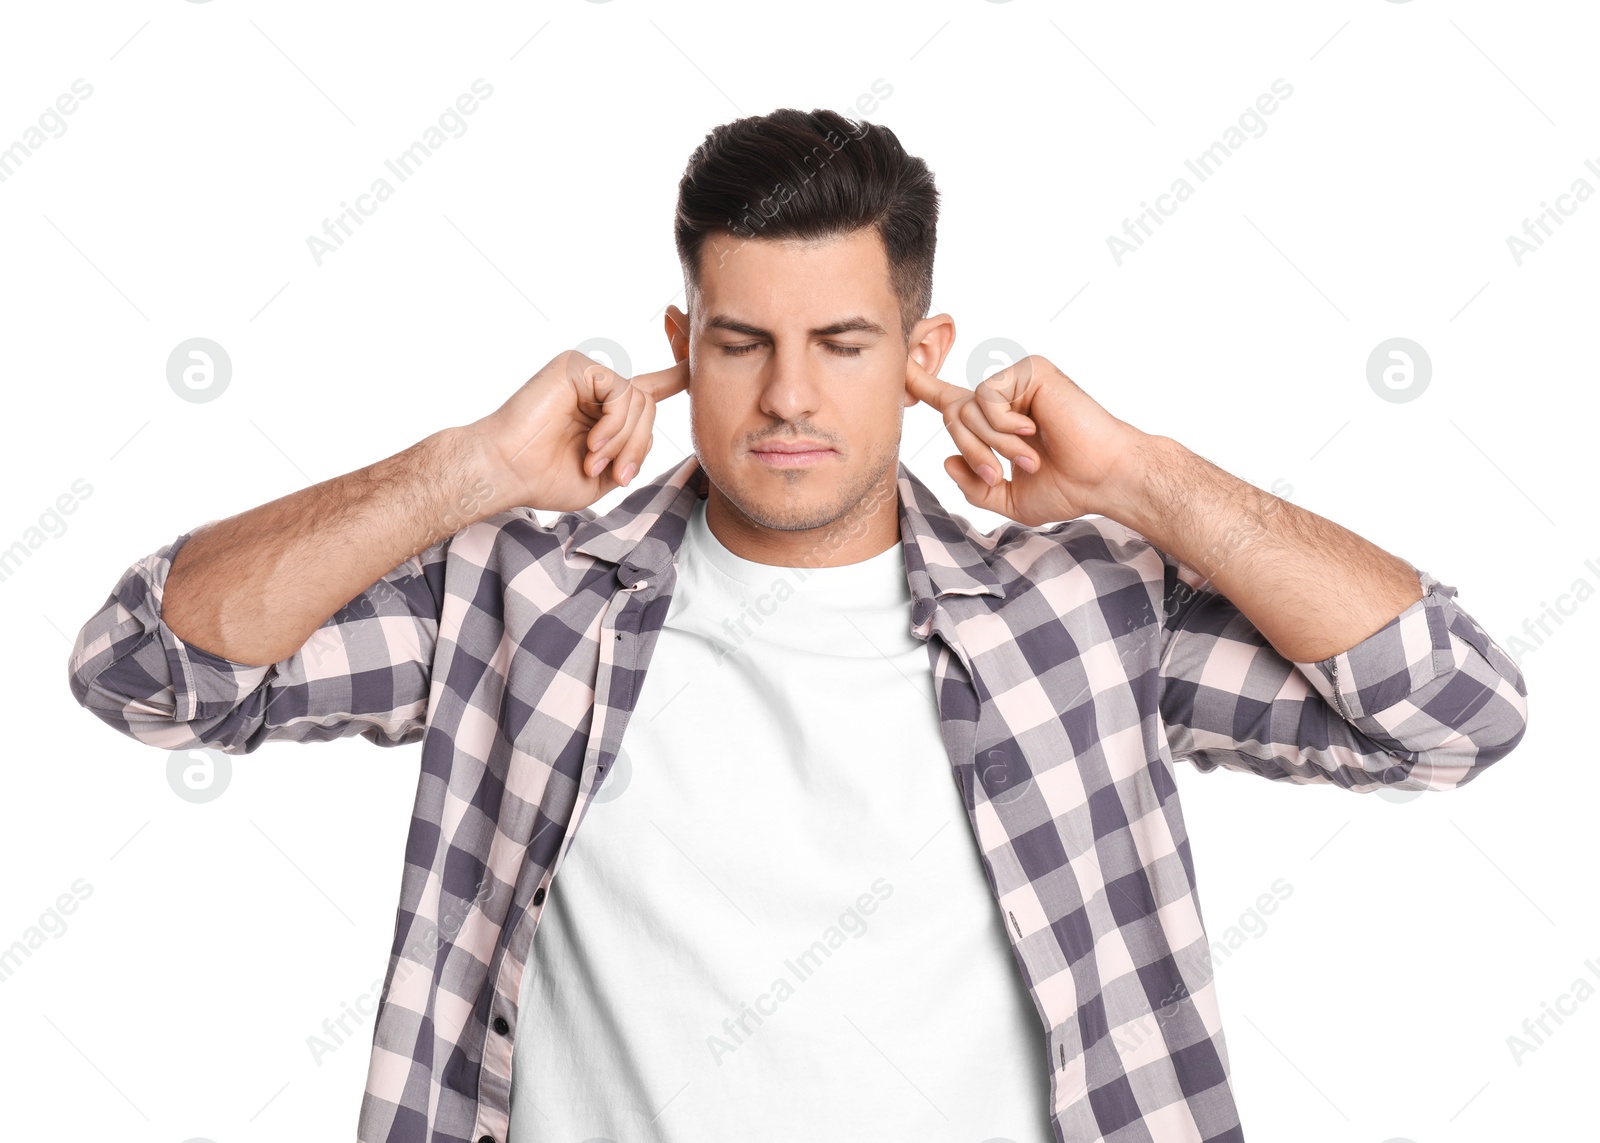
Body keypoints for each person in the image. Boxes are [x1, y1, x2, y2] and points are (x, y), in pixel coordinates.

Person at [66, 108, 1529, 1143]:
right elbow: (149, 672)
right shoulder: (519, 600)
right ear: (680, 345)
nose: (785, 400)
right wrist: (467, 472)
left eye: (841, 345)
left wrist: (1144, 476)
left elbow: (1450, 713)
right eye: (741, 343)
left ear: (924, 355)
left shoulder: (1082, 614)